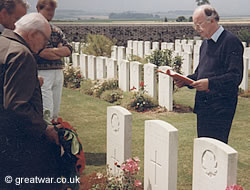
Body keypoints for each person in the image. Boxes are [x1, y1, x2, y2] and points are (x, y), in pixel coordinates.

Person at [0, 13, 62, 189]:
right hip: (16, 143)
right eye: (46, 40)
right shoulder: (21, 54)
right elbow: (16, 105)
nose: (44, 46)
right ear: (34, 34)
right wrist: (44, 128)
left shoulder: (3, 44)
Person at [175, 5, 243, 144]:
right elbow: (200, 73)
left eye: (199, 24)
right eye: (195, 25)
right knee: (204, 148)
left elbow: (235, 77)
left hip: (221, 107)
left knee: (217, 150)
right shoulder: (205, 44)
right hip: (203, 106)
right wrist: (186, 80)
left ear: (212, 20)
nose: (197, 29)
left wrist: (210, 83)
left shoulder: (231, 42)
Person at [36, 0, 72, 122]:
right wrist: (59, 50)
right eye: (48, 10)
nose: (51, 13)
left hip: (58, 72)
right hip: (43, 73)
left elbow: (68, 50)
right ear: (38, 9)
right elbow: (41, 52)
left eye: (53, 10)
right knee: (47, 110)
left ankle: (54, 135)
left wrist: (52, 51)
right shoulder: (34, 30)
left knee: (55, 112)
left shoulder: (56, 30)